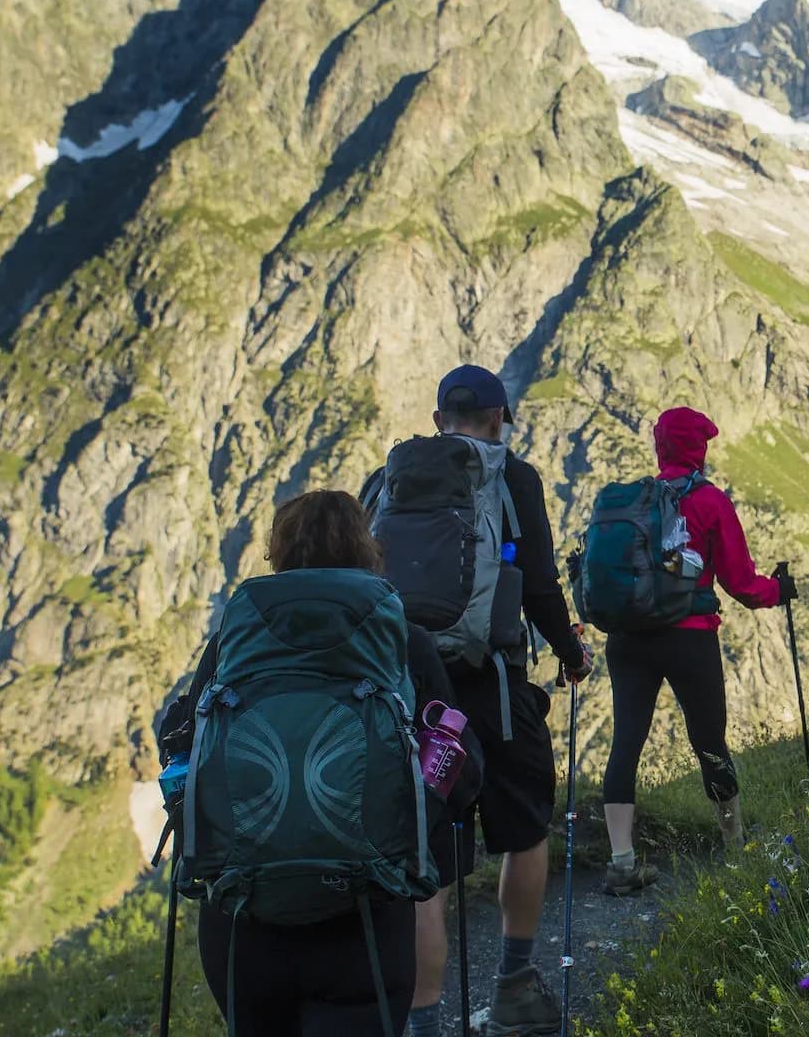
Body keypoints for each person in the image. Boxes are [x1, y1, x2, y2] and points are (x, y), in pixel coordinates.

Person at [168, 490, 480, 1037]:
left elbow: (185, 754)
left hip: (242, 923)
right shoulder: (403, 641)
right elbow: (464, 771)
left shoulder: (231, 645)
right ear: (367, 552)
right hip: (364, 919)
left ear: (278, 555)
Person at [362, 364, 592, 1037]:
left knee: (424, 868)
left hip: (407, 694)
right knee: (525, 834)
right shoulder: (513, 479)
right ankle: (515, 986)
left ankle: (424, 1024)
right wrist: (571, 654)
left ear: (439, 419)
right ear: (500, 419)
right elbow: (542, 585)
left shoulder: (386, 481)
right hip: (491, 689)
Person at [598, 406, 793, 895]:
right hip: (689, 638)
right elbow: (743, 584)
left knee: (625, 745)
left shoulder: (632, 501)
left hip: (628, 639)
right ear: (699, 450)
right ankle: (735, 846)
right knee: (709, 742)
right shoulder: (709, 502)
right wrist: (779, 590)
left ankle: (621, 860)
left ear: (659, 446)